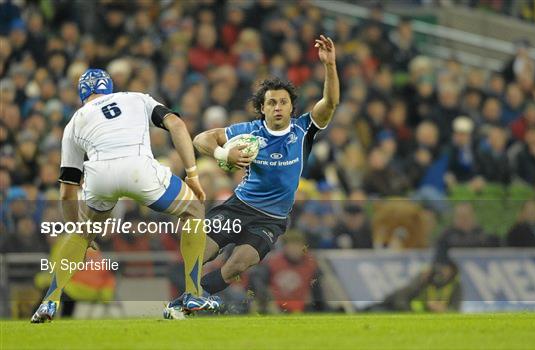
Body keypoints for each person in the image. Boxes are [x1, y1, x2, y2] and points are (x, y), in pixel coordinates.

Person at [167, 35, 338, 316]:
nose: (278, 107)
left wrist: (329, 66)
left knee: (236, 266)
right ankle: (186, 298)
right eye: (271, 103)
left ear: (292, 107)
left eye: (283, 102)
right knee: (201, 251)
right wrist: (225, 155)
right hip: (239, 207)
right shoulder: (250, 133)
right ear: (262, 108)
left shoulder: (303, 130)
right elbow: (201, 139)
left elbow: (330, 103)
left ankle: (184, 305)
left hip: (272, 219)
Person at [31, 69, 219, 323]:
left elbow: (67, 191)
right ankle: (193, 293)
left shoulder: (74, 121)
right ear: (110, 88)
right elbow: (176, 123)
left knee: (80, 235)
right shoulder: (136, 98)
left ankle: (49, 301)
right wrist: (192, 174)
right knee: (194, 209)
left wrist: (78, 231)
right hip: (139, 170)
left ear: (82, 95)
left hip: (99, 176)